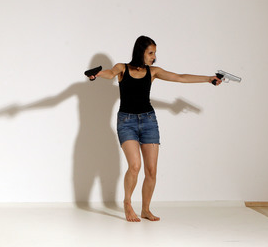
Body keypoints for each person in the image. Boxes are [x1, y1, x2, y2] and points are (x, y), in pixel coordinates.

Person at [87, 36, 222, 222]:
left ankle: (145, 209)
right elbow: (109, 73)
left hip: (149, 121)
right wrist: (97, 74)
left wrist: (208, 79)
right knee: (135, 166)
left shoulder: (153, 72)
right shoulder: (122, 68)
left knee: (151, 171)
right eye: (151, 53)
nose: (154, 57)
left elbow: (180, 77)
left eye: (155, 53)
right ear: (140, 52)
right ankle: (127, 203)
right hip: (126, 122)